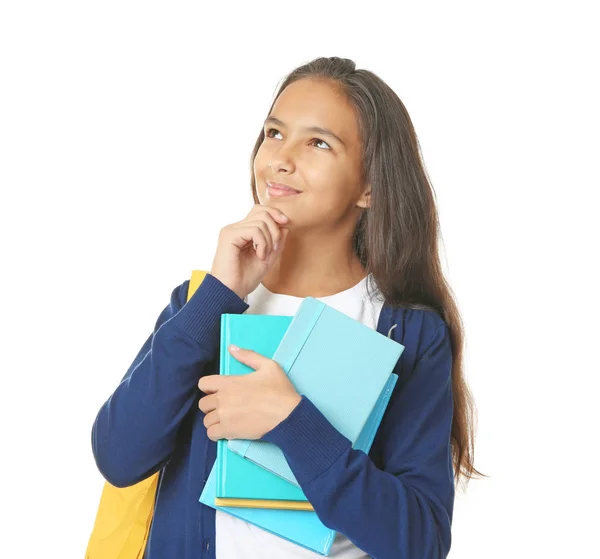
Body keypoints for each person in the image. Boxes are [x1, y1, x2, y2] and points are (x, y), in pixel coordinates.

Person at [91, 56, 483, 559]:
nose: (280, 157)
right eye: (274, 133)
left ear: (369, 186)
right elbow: (119, 457)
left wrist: (293, 422)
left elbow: (420, 543)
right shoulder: (203, 304)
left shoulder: (407, 333)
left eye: (319, 143)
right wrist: (217, 295)